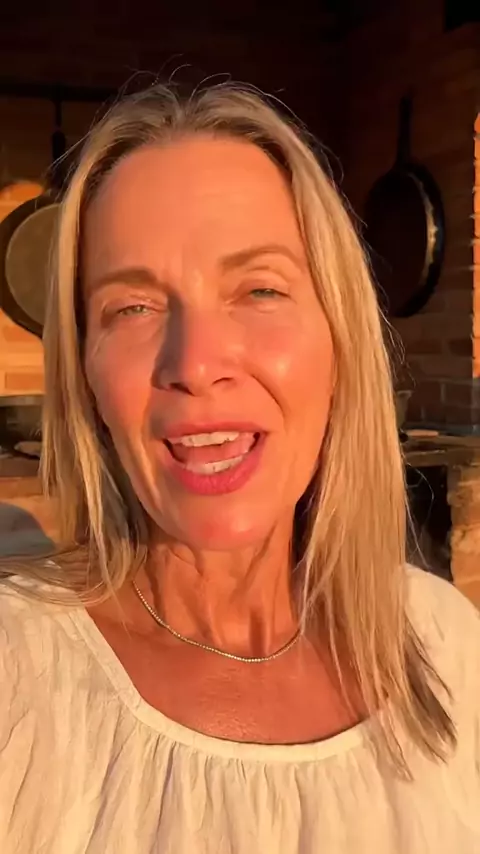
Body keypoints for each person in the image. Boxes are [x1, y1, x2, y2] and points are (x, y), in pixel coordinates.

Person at [0, 82, 478, 854]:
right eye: (132, 307)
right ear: (85, 374)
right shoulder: (17, 683)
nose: (195, 364)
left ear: (339, 340)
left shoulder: (446, 645)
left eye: (259, 288)